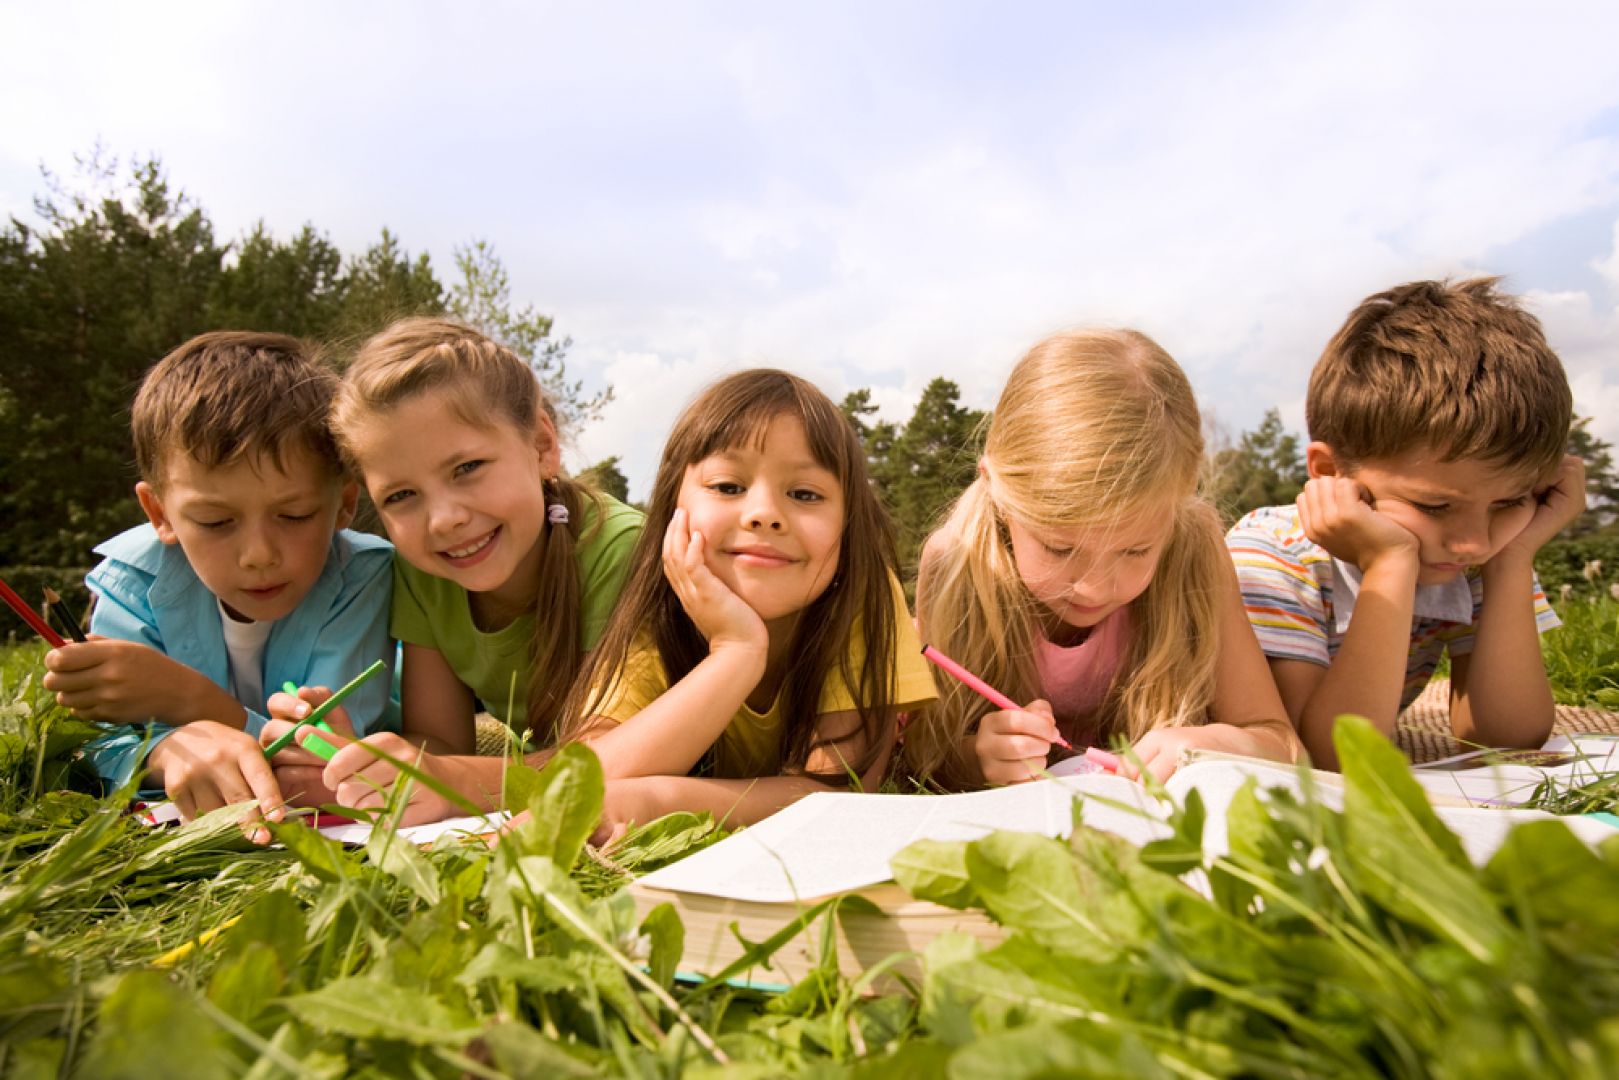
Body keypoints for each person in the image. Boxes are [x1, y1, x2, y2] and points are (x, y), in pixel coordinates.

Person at [261, 317, 641, 822]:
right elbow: (440, 741)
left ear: (542, 445)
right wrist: (356, 762)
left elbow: (616, 758)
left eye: (467, 469)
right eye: (401, 496)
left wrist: (451, 781)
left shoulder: (619, 549)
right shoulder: (424, 572)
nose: (444, 520)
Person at [907, 329, 1299, 788]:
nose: (1093, 587)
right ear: (998, 493)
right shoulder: (957, 562)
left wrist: (1222, 743)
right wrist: (978, 757)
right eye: (1060, 548)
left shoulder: (1194, 549)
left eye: (1135, 550)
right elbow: (924, 750)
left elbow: (1283, 744)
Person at [43, 332, 396, 837]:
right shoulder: (132, 579)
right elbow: (98, 744)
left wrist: (190, 702)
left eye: (294, 515)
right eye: (214, 522)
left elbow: (324, 753)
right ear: (158, 514)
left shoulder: (363, 576)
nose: (259, 555)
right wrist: (164, 753)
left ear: (343, 505)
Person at [558, 369, 937, 838]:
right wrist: (737, 651)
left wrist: (661, 800)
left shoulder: (864, 598)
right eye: (727, 487)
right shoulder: (658, 612)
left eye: (804, 494)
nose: (764, 514)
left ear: (848, 526)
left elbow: (839, 790)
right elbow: (585, 781)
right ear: (672, 508)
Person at [1226, 278, 1582, 768]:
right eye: (1433, 507)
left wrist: (1513, 560)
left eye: (1509, 502)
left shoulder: (1482, 551)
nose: (1473, 541)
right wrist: (1390, 565)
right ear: (1331, 474)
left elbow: (1506, 738)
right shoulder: (1271, 554)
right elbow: (1325, 756)